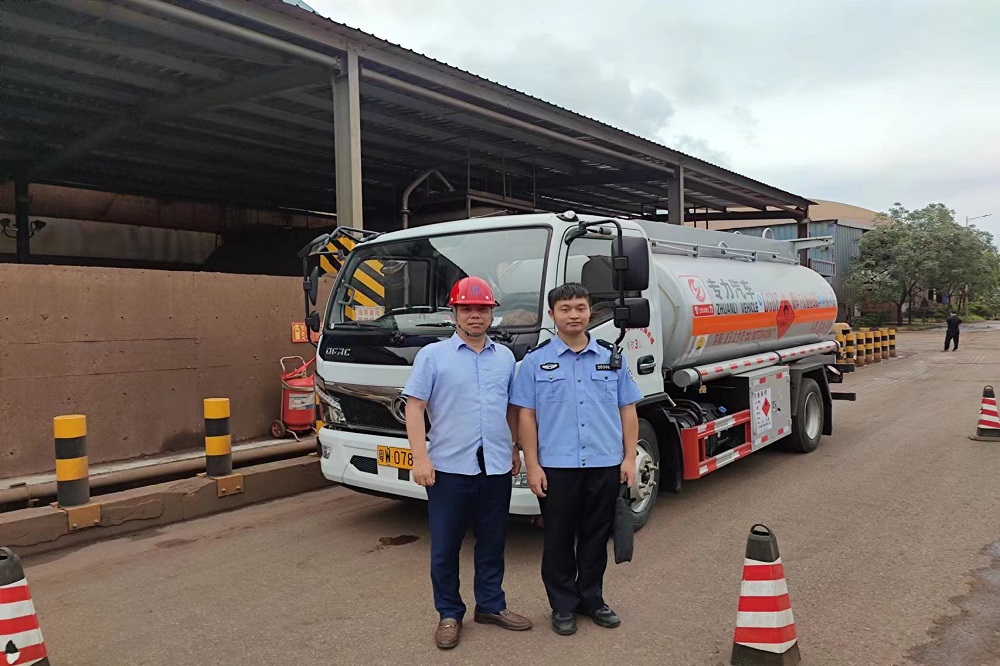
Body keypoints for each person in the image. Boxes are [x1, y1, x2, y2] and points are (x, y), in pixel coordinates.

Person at [402, 276, 532, 650]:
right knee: (445, 547)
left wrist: (514, 449)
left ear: (492, 314)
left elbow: (510, 409)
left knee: (492, 540)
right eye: (467, 309)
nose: (475, 315)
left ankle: (490, 605)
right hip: (448, 468)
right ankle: (448, 613)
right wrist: (420, 459)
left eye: (482, 309)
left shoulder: (505, 358)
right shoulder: (433, 356)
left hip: (495, 466)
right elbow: (415, 407)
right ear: (454, 313)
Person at [510, 282, 643, 636]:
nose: (574, 315)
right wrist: (532, 464)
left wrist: (629, 459)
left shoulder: (612, 357)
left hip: (604, 463)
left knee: (596, 537)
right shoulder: (534, 362)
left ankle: (592, 600)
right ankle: (563, 605)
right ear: (552, 314)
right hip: (557, 467)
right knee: (557, 539)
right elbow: (526, 416)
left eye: (580, 308)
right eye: (565, 309)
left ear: (589, 312)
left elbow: (628, 410)